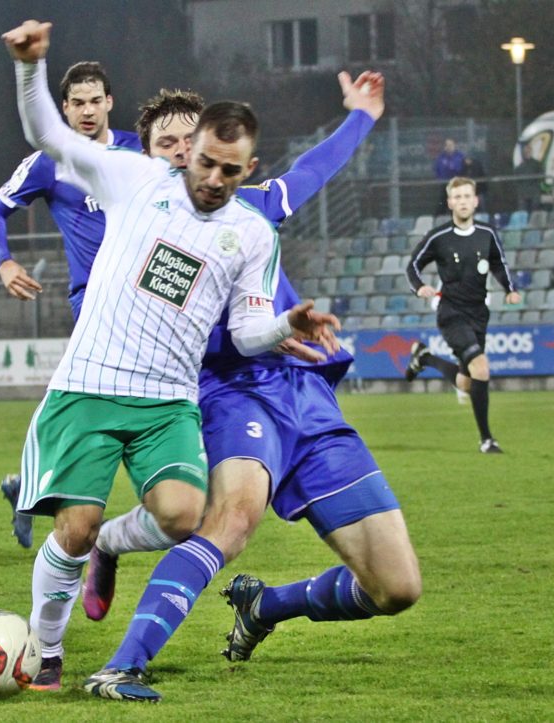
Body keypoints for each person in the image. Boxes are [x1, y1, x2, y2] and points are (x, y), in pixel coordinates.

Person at [1, 19, 340, 699]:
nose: (208, 172)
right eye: (195, 156)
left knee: (185, 515)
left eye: (224, 165)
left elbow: (245, 334)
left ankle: (109, 548)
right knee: (75, 524)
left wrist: (284, 325)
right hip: (92, 385)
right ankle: (48, 648)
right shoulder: (132, 177)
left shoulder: (249, 230)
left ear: (244, 167)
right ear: (177, 152)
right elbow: (50, 137)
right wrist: (31, 69)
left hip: (168, 400)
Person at [79, 79, 421, 703]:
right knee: (233, 520)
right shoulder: (140, 223)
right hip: (231, 392)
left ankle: (265, 606)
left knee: (396, 587)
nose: (187, 156)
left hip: (306, 394)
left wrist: (363, 117)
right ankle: (122, 666)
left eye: (195, 141)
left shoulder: (250, 207)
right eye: (170, 146)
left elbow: (313, 170)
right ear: (148, 156)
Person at [0, 60, 141, 548]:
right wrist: (5, 263)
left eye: (96, 100)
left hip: (153, 298)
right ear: (65, 109)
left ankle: (29, 486)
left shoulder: (141, 151)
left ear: (110, 102)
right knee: (108, 400)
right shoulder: (48, 162)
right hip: (94, 301)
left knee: (96, 400)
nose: (87, 111)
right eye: (77, 103)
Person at [405, 176, 521, 454]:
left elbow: (499, 263)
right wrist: (420, 287)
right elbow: (412, 266)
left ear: (476, 200)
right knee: (481, 368)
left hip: (479, 313)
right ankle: (487, 440)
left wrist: (510, 289)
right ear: (449, 203)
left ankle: (425, 358)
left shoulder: (488, 233)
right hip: (451, 312)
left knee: (468, 382)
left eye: (467, 196)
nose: (463, 201)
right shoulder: (439, 237)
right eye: (457, 197)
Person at [434, 138, 465, 214]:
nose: (449, 147)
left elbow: (461, 169)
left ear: (454, 145)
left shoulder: (460, 156)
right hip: (445, 184)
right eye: (447, 145)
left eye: (450, 145)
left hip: (457, 185)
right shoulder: (441, 157)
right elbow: (437, 169)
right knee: (443, 203)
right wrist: (440, 178)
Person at [513, 143, 543, 213]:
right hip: (523, 193)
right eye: (526, 151)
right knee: (523, 212)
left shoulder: (537, 164)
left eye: (529, 150)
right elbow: (516, 179)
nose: (527, 152)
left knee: (534, 212)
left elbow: (541, 176)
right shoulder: (519, 167)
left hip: (534, 192)